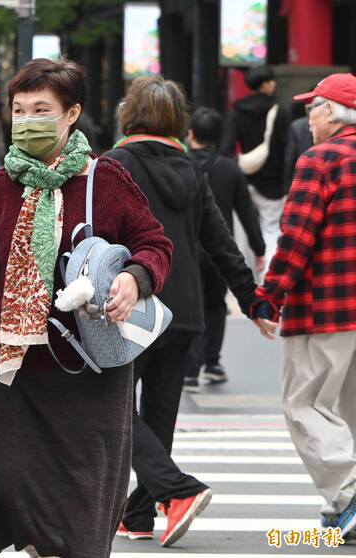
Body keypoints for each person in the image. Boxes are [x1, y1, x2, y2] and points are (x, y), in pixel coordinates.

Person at [0, 58, 173, 558]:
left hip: (91, 371)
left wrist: (136, 278)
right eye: (19, 109)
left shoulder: (104, 180)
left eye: (41, 109)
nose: (27, 119)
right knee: (18, 494)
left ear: (72, 114)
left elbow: (155, 243)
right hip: (20, 372)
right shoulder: (4, 185)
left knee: (85, 507)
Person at [105, 76, 257, 547]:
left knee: (113, 411)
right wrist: (252, 300)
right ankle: (139, 514)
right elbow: (220, 241)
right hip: (185, 310)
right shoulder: (192, 170)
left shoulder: (114, 165)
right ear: (178, 121)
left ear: (130, 114)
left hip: (133, 305)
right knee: (159, 414)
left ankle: (178, 491)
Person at [252, 73, 356, 540]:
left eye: (312, 107)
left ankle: (349, 494)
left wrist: (268, 295)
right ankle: (343, 507)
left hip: (324, 306)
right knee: (350, 411)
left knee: (305, 405)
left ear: (331, 113)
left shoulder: (321, 159)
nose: (307, 115)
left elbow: (295, 239)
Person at [183, 107, 266, 392]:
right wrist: (259, 248)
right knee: (217, 305)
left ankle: (190, 369)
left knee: (191, 302)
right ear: (219, 136)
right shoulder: (230, 168)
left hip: (187, 247)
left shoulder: (181, 164)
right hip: (220, 249)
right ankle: (213, 362)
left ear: (190, 133)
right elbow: (247, 213)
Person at [220, 65, 290, 277]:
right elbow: (287, 149)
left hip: (243, 178)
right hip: (273, 182)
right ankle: (270, 280)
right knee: (271, 231)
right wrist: (287, 184)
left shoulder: (237, 111)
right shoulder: (280, 111)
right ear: (266, 83)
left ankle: (248, 284)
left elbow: (226, 148)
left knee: (244, 235)